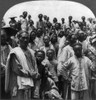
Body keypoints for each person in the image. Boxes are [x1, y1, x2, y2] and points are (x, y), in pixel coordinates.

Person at [5, 30, 39, 100]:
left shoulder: (32, 52)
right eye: (23, 38)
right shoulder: (15, 52)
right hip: (18, 84)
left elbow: (34, 67)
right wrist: (31, 74)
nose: (25, 40)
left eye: (27, 38)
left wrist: (35, 75)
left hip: (30, 84)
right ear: (18, 38)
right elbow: (17, 69)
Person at [1, 28, 12, 99]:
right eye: (1, 36)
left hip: (7, 74)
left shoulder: (9, 47)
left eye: (4, 36)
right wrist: (3, 66)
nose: (2, 38)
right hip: (2, 71)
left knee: (6, 92)